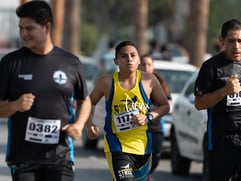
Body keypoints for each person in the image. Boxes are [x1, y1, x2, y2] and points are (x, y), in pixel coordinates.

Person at [0, 1, 91, 181]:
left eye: (29, 28)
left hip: (61, 157)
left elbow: (84, 100)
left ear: (47, 27)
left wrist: (79, 125)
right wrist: (16, 105)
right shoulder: (10, 63)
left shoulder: (70, 62)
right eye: (21, 28)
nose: (24, 34)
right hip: (23, 159)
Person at [194, 19, 241, 181]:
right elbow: (199, 103)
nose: (236, 46)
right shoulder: (211, 67)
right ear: (221, 41)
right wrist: (223, 91)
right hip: (221, 137)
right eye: (231, 41)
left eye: (240, 41)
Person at [86, 40, 170, 181]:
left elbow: (165, 106)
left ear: (138, 60)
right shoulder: (106, 82)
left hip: (143, 146)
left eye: (133, 55)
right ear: (116, 61)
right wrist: (89, 124)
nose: (129, 59)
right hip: (117, 146)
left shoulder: (149, 81)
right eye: (124, 56)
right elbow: (88, 103)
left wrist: (148, 117)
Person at [138, 54, 172, 181]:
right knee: (139, 155)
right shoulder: (132, 82)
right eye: (143, 64)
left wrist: (155, 110)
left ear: (153, 67)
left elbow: (168, 102)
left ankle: (148, 173)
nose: (146, 67)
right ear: (138, 65)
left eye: (149, 64)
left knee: (156, 157)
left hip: (156, 126)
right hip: (138, 128)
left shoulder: (159, 82)